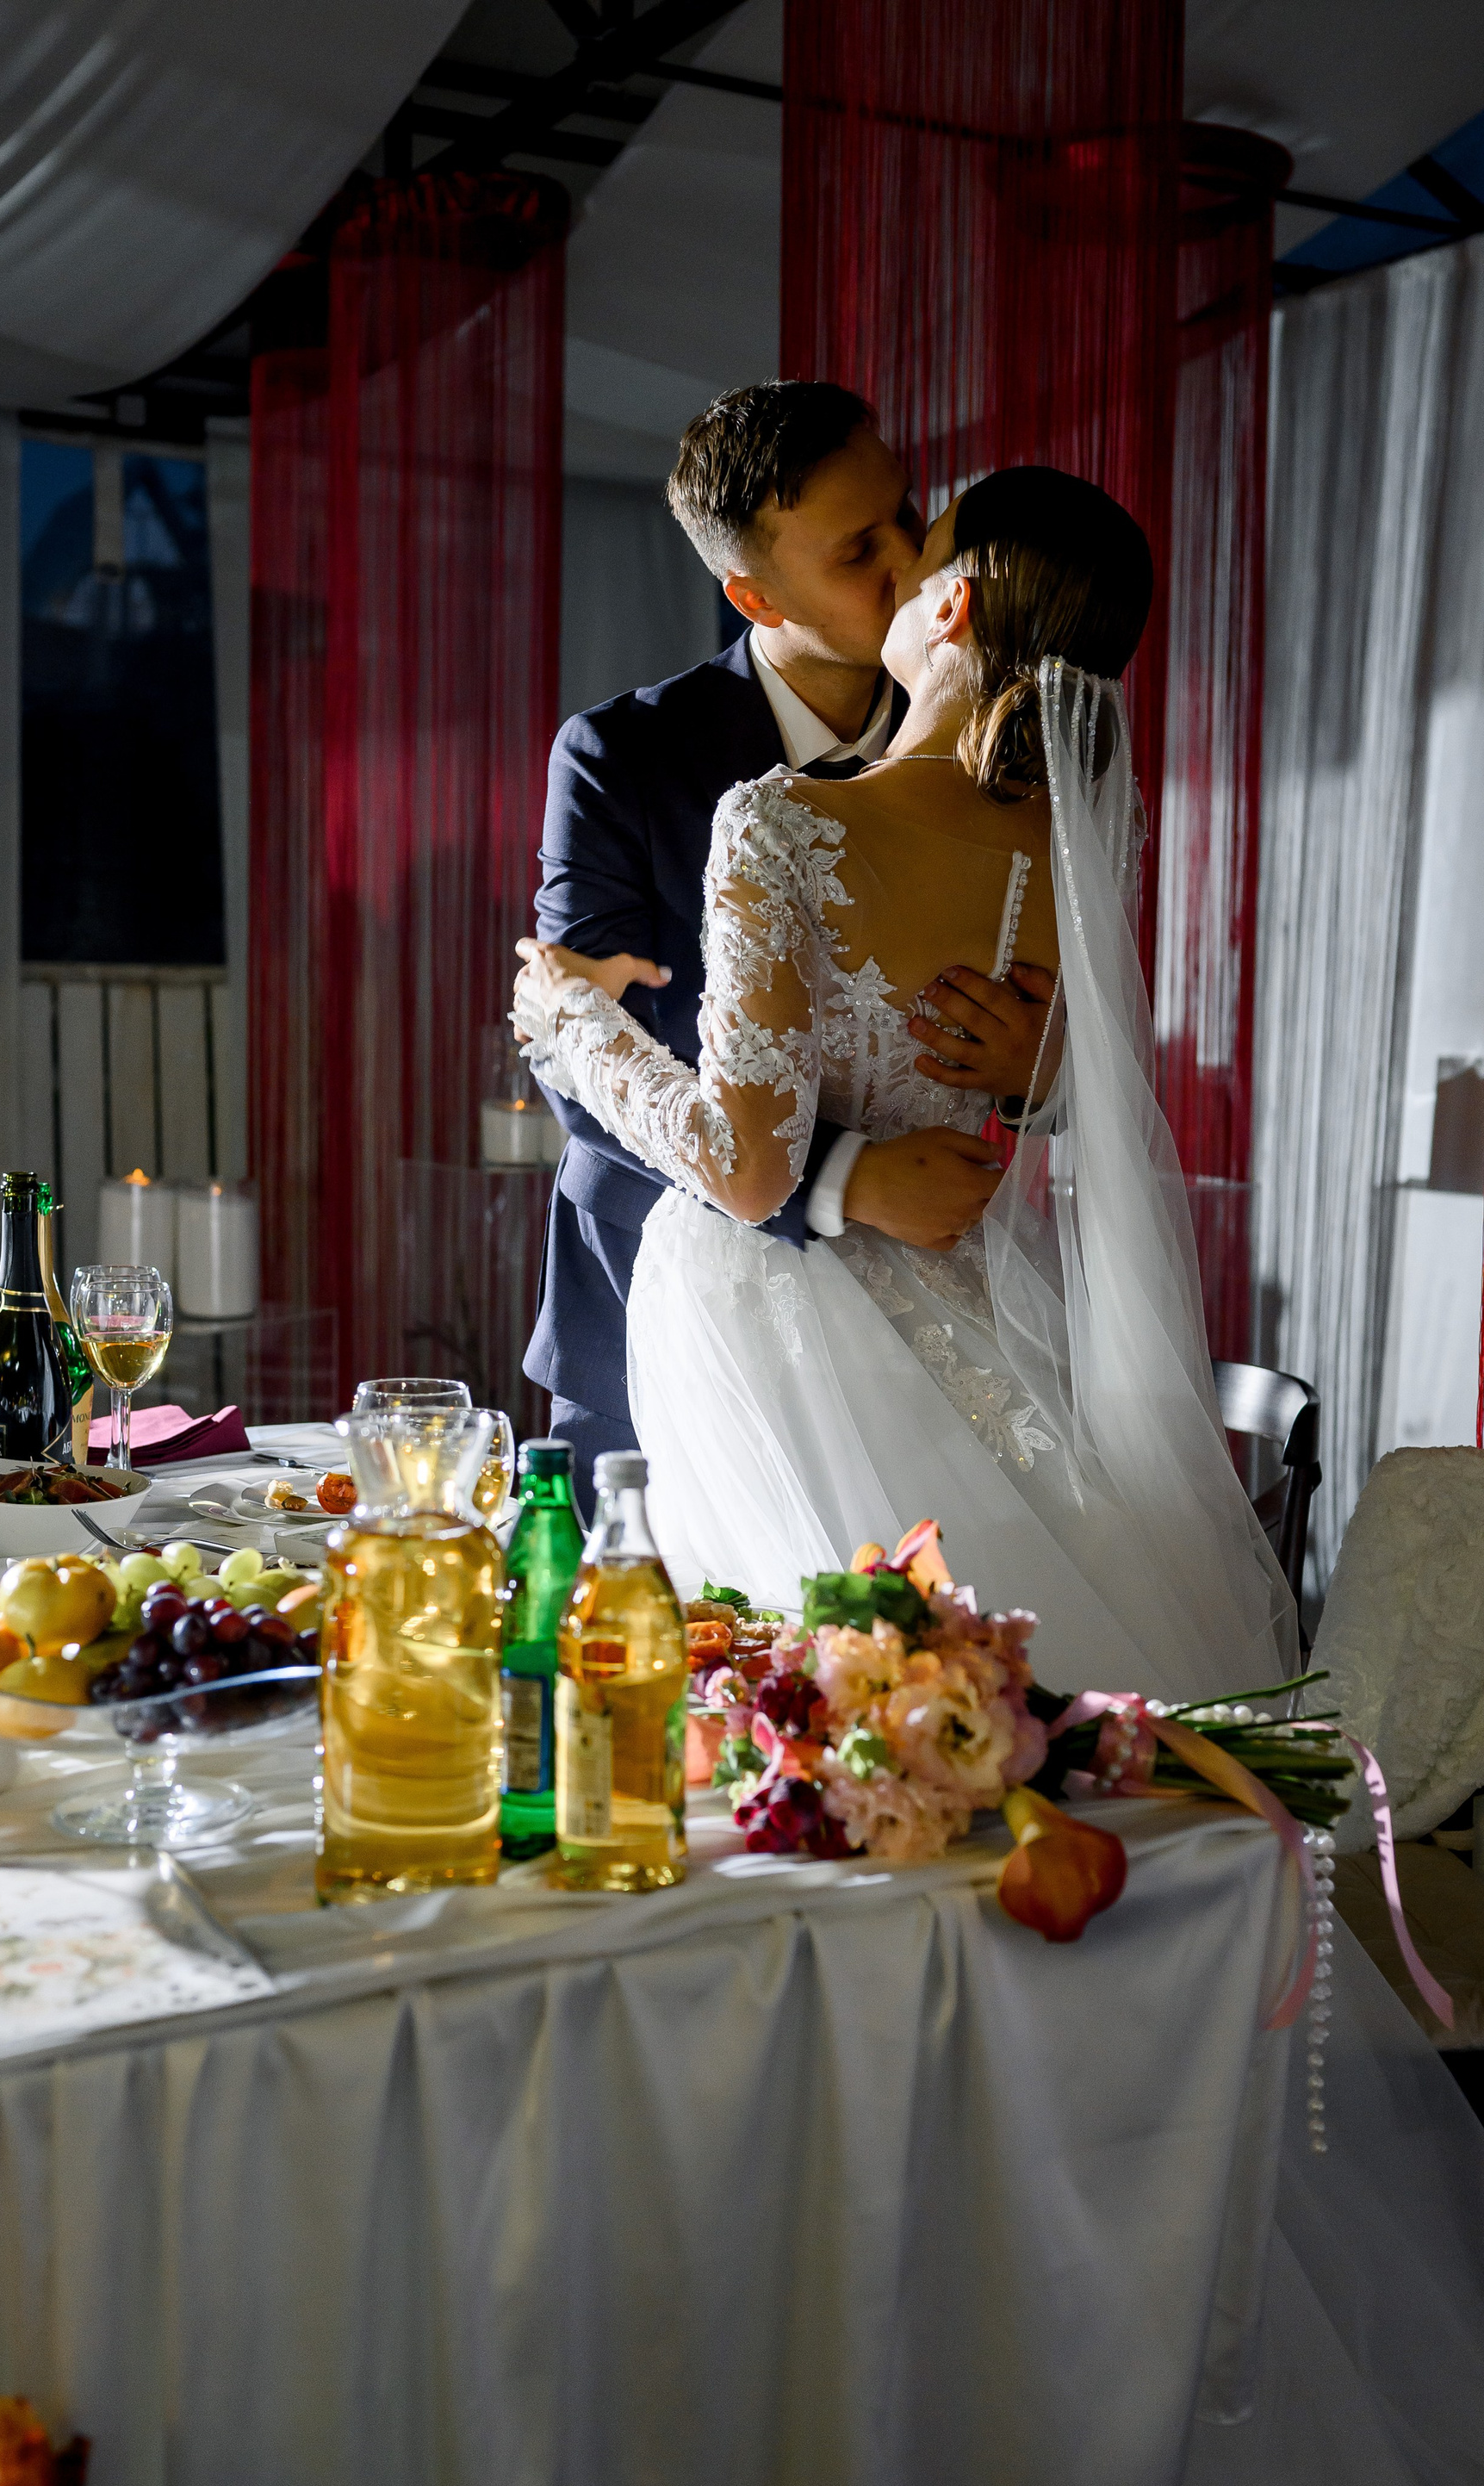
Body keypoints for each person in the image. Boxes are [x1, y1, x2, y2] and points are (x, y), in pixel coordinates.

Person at [517, 464, 1484, 2486]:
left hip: (783, 1339)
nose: (896, 579)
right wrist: (1014, 1076)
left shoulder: (781, 823)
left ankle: (848, 2232)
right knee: (980, 1771)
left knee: (822, 1790)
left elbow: (749, 1165)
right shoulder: (1052, 842)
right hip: (974, 1342)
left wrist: (570, 1038)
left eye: (918, 553)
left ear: (951, 606)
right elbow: (1043, 1091)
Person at [525, 382, 1054, 1513]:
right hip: (665, 1318)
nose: (913, 560)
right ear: (754, 596)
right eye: (859, 548)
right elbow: (584, 1047)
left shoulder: (1000, 757)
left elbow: (1076, 1026)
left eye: (907, 514)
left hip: (933, 1342)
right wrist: (843, 1180)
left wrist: (1037, 1067)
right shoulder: (622, 758)